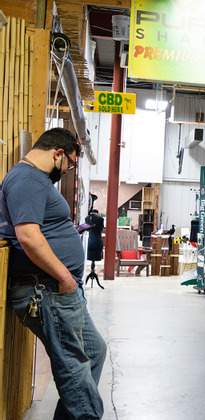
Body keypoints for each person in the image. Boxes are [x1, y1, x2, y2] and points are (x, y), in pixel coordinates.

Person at [0, 128, 107, 419]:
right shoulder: (28, 179)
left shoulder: (34, 180)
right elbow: (29, 237)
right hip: (47, 290)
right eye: (70, 163)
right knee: (74, 370)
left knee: (94, 351)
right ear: (57, 153)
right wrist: (64, 276)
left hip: (56, 289)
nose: (68, 169)